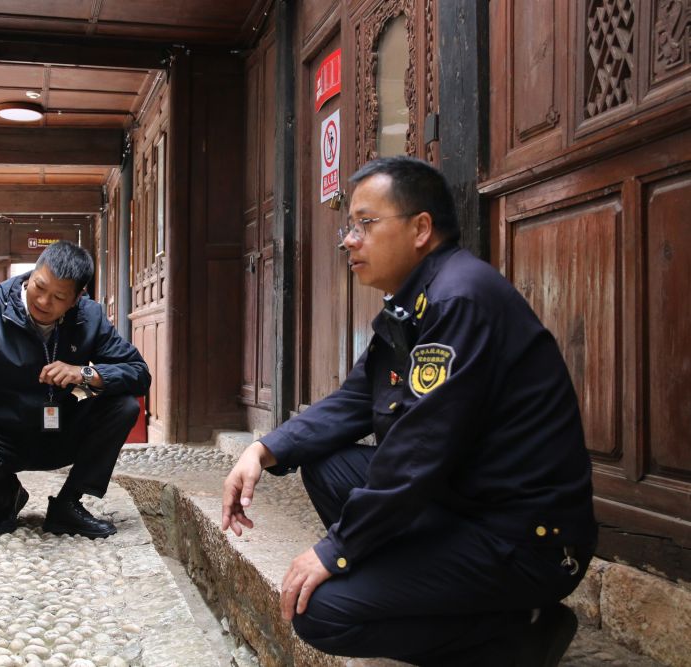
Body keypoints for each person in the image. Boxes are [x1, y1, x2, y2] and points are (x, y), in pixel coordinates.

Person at [221, 157, 596, 666]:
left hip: (526, 542)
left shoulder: (458, 299)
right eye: (349, 226)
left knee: (322, 613)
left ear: (421, 229)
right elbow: (356, 399)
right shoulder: (414, 303)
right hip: (464, 506)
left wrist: (336, 550)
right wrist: (264, 450)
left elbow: (419, 450)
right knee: (326, 462)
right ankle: (438, 598)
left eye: (365, 224)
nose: (348, 240)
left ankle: (517, 632)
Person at [0, 241, 150, 539]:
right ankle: (8, 497)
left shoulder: (89, 317)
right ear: (32, 274)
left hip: (59, 432)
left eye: (59, 297)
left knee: (124, 406)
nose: (44, 301)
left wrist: (85, 373)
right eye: (39, 287)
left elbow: (139, 373)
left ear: (76, 298)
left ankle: (68, 505)